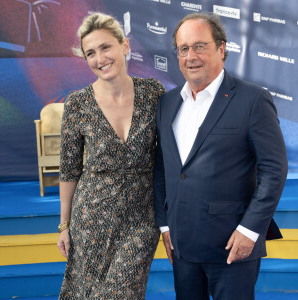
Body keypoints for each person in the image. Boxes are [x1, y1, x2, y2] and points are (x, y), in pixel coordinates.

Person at [154, 12, 288, 300]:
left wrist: (250, 231)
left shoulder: (253, 100)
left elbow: (274, 170)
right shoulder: (166, 103)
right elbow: (163, 167)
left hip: (233, 246)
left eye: (200, 46)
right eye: (184, 48)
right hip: (183, 247)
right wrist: (165, 225)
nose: (191, 56)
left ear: (222, 48)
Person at [57, 12, 165, 299]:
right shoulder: (77, 103)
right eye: (90, 53)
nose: (99, 58)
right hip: (91, 216)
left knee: (121, 292)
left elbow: (169, 156)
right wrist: (65, 225)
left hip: (142, 217)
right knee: (86, 293)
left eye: (105, 47)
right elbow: (68, 171)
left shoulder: (153, 92)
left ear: (124, 46)